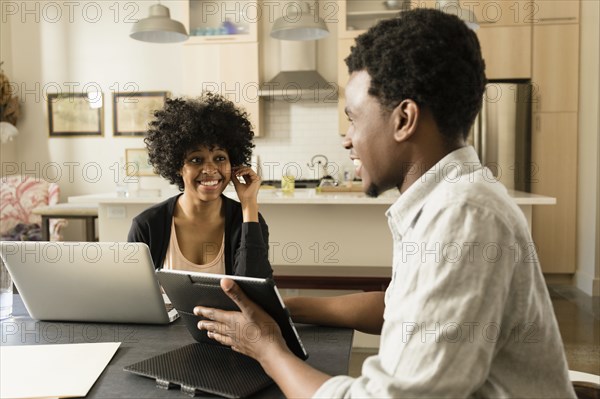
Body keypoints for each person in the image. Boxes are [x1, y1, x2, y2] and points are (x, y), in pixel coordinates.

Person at [192, 9, 576, 398]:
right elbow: (392, 307)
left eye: (354, 119)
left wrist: (265, 347)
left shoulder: (464, 216)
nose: (347, 139)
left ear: (404, 119)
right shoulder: (450, 200)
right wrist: (280, 308)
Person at [127, 93, 272, 278]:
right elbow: (136, 295)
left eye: (220, 158)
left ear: (233, 163)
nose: (210, 169)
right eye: (196, 159)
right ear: (177, 166)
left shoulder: (248, 220)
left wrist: (249, 203)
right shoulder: (147, 225)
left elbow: (254, 290)